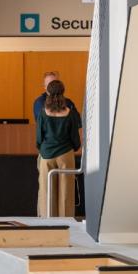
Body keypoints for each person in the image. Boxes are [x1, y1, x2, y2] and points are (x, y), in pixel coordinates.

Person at [36, 80, 82, 218]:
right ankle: (66, 223)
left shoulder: (43, 113)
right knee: (66, 192)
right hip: (65, 155)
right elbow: (75, 139)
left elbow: (39, 138)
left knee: (46, 190)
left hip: (46, 155)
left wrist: (43, 149)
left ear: (48, 93)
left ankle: (47, 221)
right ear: (63, 92)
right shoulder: (71, 113)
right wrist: (74, 148)